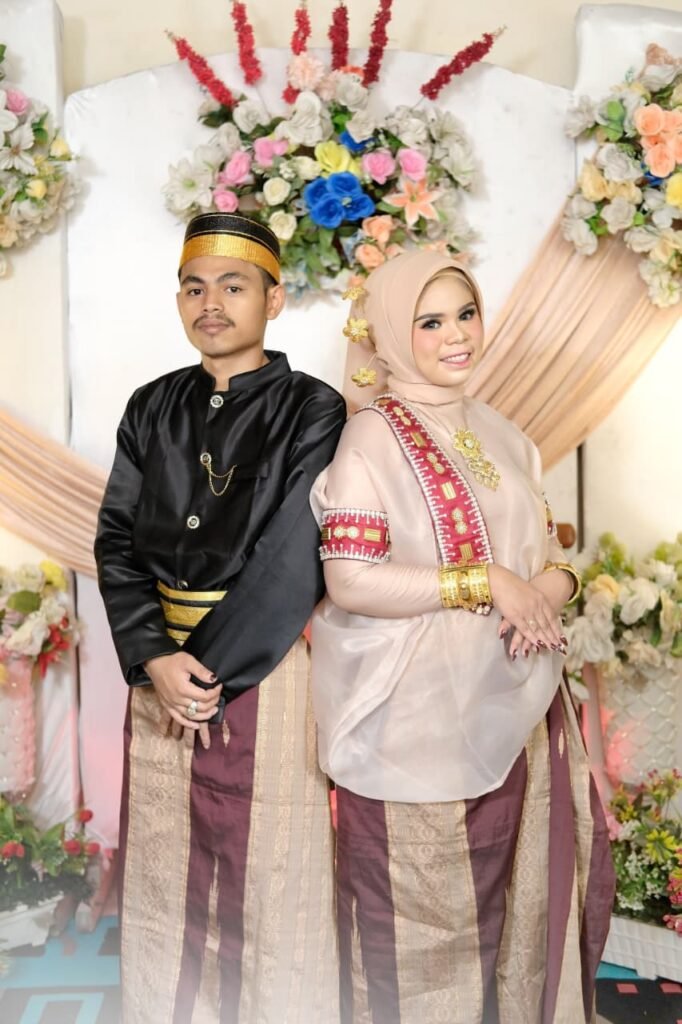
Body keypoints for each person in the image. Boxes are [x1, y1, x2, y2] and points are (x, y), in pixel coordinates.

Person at [310, 250, 615, 1024]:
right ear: (391, 334)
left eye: (467, 314)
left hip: (518, 709)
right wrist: (485, 581)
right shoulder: (370, 439)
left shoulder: (506, 434)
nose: (457, 336)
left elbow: (550, 559)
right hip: (411, 725)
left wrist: (544, 590)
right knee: (418, 931)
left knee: (517, 914)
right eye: (431, 321)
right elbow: (349, 579)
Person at [95, 212, 346, 1023]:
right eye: (194, 288)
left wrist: (204, 676)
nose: (211, 304)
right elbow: (116, 539)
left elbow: (293, 554)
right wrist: (153, 656)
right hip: (160, 671)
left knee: (271, 870)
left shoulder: (313, 408)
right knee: (166, 869)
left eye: (233, 287)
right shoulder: (151, 406)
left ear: (274, 299)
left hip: (265, 669)